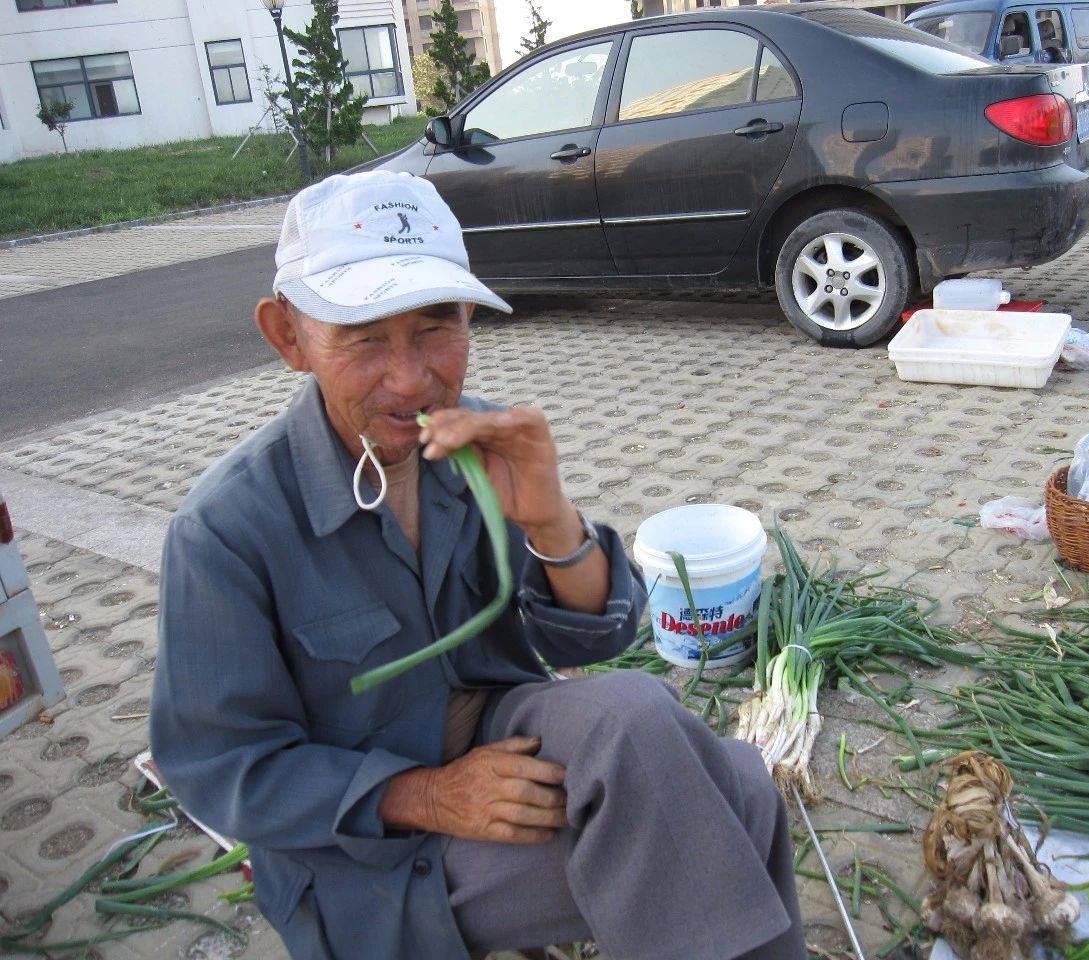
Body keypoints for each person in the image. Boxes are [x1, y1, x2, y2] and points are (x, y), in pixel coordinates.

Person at [149, 171, 805, 960]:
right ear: (289, 337)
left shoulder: (473, 443)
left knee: (667, 732)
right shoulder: (226, 529)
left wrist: (549, 520)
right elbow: (219, 769)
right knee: (728, 803)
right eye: (362, 336)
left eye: (437, 327)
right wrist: (428, 795)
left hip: (496, 735)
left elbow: (591, 644)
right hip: (367, 858)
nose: (411, 377)